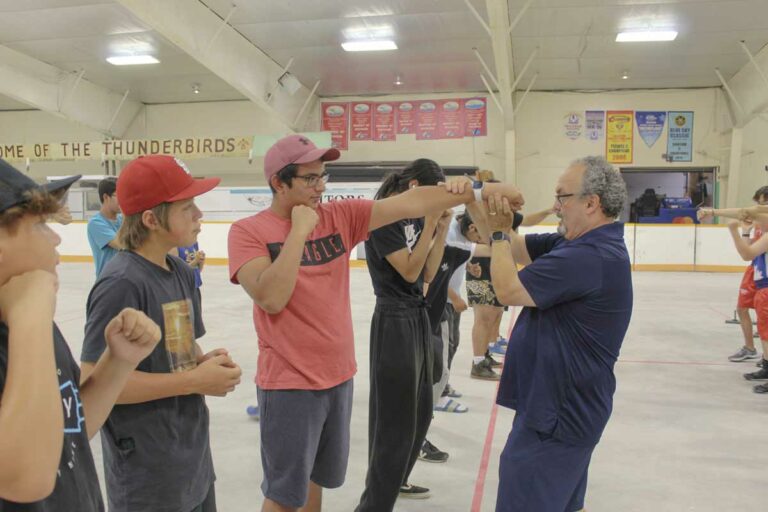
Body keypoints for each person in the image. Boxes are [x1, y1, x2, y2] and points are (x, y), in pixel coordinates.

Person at [227, 134, 524, 512]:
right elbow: (271, 297)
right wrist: (299, 231)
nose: (320, 187)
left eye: (323, 177)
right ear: (278, 183)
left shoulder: (341, 216)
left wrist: (474, 189)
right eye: (310, 179)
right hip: (289, 384)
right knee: (285, 495)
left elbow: (410, 202)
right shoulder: (248, 232)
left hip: (338, 378)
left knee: (316, 485)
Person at [467, 156, 633, 512]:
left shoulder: (590, 256)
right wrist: (472, 200)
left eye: (562, 197)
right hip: (562, 408)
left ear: (592, 203)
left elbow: (508, 290)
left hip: (557, 415)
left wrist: (497, 232)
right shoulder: (573, 244)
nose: (556, 206)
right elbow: (512, 245)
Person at [81, 155, 242, 512]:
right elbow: (95, 383)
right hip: (147, 475)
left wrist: (203, 364)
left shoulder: (181, 272)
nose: (199, 215)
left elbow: (178, 352)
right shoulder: (121, 284)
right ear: (152, 219)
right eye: (187, 208)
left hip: (192, 459)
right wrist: (195, 381)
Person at [0, 159, 161, 510]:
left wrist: (117, 362)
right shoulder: (29, 319)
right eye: (40, 225)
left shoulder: (31, 324)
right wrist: (30, 315)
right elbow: (22, 479)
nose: (56, 237)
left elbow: (67, 432)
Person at [359, 161, 453, 505]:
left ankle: (396, 480)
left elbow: (429, 273)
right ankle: (374, 501)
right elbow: (410, 272)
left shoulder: (417, 217)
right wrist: (430, 221)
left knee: (421, 411)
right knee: (394, 420)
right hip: (393, 317)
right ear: (415, 186)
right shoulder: (383, 216)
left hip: (416, 314)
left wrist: (439, 229)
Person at [87, 177, 122, 276]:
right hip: (108, 282)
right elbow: (121, 244)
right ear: (106, 197)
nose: (124, 199)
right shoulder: (96, 223)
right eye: (120, 195)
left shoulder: (122, 219)